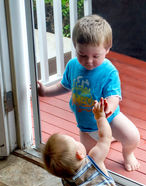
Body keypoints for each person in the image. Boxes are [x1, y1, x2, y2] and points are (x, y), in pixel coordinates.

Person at [38, 14, 140, 172]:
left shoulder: (109, 71)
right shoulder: (73, 65)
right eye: (82, 55)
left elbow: (114, 96)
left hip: (109, 118)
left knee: (132, 137)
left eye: (95, 56)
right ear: (75, 48)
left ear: (107, 49)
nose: (89, 61)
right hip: (85, 125)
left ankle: (127, 153)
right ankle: (108, 138)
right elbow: (64, 86)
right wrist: (45, 92)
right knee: (90, 160)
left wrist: (108, 109)